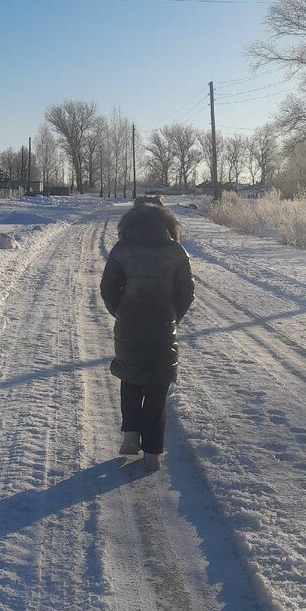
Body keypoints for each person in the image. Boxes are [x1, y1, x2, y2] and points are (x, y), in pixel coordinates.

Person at [100, 197, 195, 470]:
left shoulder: (121, 249)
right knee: (157, 386)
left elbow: (107, 288)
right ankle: (153, 453)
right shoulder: (177, 252)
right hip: (163, 327)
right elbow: (187, 293)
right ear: (167, 224)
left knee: (129, 378)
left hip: (128, 323)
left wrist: (120, 311)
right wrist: (172, 316)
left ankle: (131, 434)